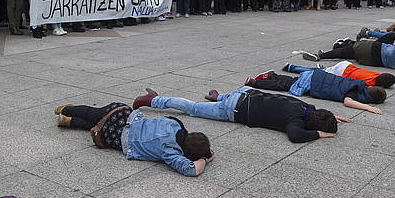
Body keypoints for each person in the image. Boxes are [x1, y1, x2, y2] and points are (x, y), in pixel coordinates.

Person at [131, 87, 345, 143]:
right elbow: (295, 135)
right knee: (193, 108)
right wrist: (319, 133)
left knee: (219, 101)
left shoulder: (304, 107)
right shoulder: (296, 121)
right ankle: (152, 100)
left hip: (243, 93)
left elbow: (317, 113)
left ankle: (217, 96)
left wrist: (330, 117)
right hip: (234, 110)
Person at [54, 102, 213, 176]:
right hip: (119, 137)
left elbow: (166, 118)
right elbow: (191, 169)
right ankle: (69, 122)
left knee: (93, 113)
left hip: (124, 115)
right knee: (99, 129)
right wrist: (204, 160)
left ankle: (66, 110)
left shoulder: (175, 124)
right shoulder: (170, 151)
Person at [243, 68, 386, 114]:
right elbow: (348, 102)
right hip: (315, 84)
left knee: (291, 80)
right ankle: (255, 82)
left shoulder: (360, 84)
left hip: (319, 75)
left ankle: (272, 76)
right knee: (285, 85)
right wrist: (368, 108)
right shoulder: (354, 93)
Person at [273, 61, 395, 88]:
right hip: (341, 72)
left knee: (320, 71)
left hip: (346, 65)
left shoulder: (376, 74)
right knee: (315, 73)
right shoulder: (371, 83)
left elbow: (386, 76)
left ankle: (323, 68)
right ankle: (291, 67)